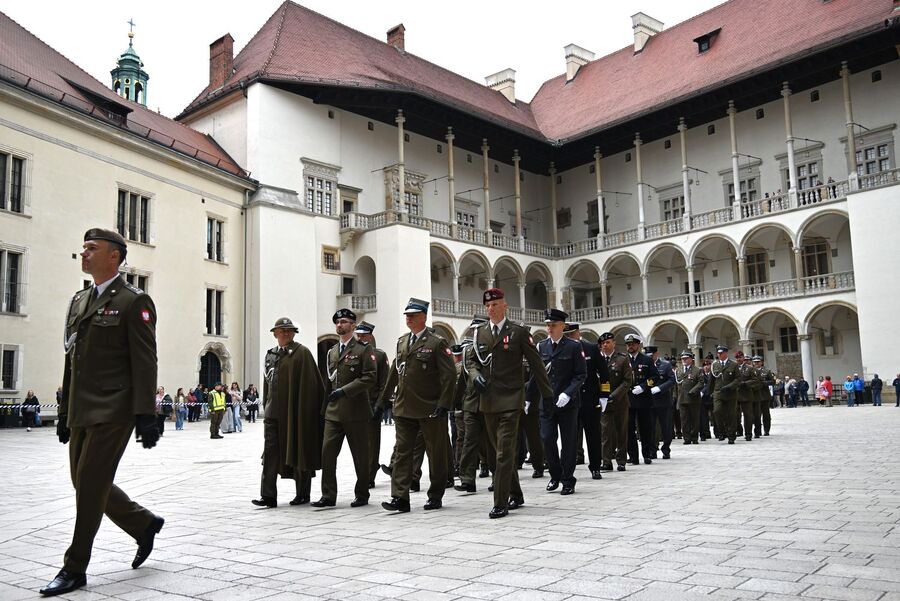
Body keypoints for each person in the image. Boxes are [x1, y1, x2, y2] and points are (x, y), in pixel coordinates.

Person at [41, 228, 163, 597]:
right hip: (81, 406)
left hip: (115, 407)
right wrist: (64, 412)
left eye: (92, 248)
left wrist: (146, 414)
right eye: (83, 247)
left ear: (115, 255)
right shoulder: (80, 300)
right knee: (84, 482)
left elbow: (145, 361)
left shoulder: (133, 301)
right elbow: (71, 359)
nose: (84, 252)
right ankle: (143, 523)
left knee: (91, 485)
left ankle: (74, 567)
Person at [467, 288, 552, 519]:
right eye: (487, 306)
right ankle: (516, 493)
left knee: (505, 453)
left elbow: (536, 365)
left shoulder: (518, 333)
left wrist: (548, 395)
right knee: (496, 454)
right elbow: (472, 362)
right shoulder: (479, 333)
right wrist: (476, 377)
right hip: (488, 402)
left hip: (511, 399)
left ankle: (500, 502)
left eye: (494, 305)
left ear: (505, 306)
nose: (490, 309)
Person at [378, 298, 456, 513]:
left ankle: (435, 494)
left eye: (413, 315)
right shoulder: (402, 341)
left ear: (424, 316)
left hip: (429, 407)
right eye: (407, 315)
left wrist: (443, 404)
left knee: (435, 453)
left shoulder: (437, 342)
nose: (409, 318)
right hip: (404, 407)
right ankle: (400, 498)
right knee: (403, 453)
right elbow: (395, 371)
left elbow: (449, 376)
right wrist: (383, 399)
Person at [252, 317, 325, 508]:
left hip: (296, 414)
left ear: (293, 333)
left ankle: (303, 493)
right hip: (273, 414)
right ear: (275, 333)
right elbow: (268, 383)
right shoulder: (270, 356)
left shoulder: (302, 353)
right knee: (269, 455)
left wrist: (308, 414)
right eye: (281, 330)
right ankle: (268, 496)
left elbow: (312, 385)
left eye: (289, 331)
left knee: (299, 451)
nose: (285, 334)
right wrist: (267, 406)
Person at [313, 309, 376, 508]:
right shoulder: (332, 351)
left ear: (353, 325)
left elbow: (369, 377)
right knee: (327, 454)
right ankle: (328, 495)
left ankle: (362, 493)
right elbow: (328, 381)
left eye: (344, 322)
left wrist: (345, 391)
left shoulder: (363, 349)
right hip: (334, 412)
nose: (339, 325)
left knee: (360, 456)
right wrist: (324, 410)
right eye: (337, 322)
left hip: (356, 411)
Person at [528, 309, 586, 496]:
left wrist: (568, 393)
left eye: (553, 325)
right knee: (547, 439)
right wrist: (528, 397)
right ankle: (555, 475)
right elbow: (536, 375)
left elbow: (580, 374)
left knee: (568, 442)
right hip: (547, 403)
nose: (549, 328)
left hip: (567, 404)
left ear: (563, 326)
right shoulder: (541, 346)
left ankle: (568, 480)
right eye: (547, 325)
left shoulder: (574, 347)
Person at [454, 318, 497, 494]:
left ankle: (497, 477)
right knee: (469, 441)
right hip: (471, 403)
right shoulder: (467, 352)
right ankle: (467, 479)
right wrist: (457, 403)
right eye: (473, 330)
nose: (474, 333)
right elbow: (463, 381)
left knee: (492, 443)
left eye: (477, 330)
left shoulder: (494, 347)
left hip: (490, 402)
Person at [354, 321, 389, 489]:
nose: (360, 338)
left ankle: (369, 476)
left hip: (372, 403)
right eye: (358, 335)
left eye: (363, 335)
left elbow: (384, 383)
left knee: (372, 443)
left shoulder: (379, 355)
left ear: (370, 336)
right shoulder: (352, 354)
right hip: (356, 405)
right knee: (360, 443)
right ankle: (364, 471)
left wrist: (380, 404)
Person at [566, 323, 603, 479]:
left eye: (571, 334)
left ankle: (595, 467)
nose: (569, 337)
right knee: (570, 437)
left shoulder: (591, 348)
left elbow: (604, 373)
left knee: (593, 435)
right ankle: (568, 468)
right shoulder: (563, 348)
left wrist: (605, 395)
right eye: (567, 334)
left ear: (578, 333)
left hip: (590, 398)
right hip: (571, 399)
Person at [597, 332, 633, 471]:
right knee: (605, 432)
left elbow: (627, 381)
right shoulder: (598, 359)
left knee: (621, 431)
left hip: (620, 401)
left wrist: (614, 395)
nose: (605, 345)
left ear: (614, 344)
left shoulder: (622, 359)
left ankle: (621, 460)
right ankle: (606, 461)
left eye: (607, 343)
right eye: (603, 343)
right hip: (603, 402)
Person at [624, 333, 659, 464]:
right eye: (628, 344)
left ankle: (647, 454)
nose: (630, 347)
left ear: (638, 345)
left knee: (645, 428)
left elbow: (655, 377)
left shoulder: (646, 360)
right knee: (629, 428)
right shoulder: (623, 359)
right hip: (628, 399)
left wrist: (644, 386)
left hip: (644, 399)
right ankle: (633, 456)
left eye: (632, 344)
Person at [646, 346, 676, 459]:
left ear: (656, 354)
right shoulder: (646, 365)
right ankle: (653, 450)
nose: (650, 358)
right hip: (650, 401)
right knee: (651, 427)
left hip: (663, 400)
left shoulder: (665, 365)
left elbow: (672, 380)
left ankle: (666, 449)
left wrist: (660, 388)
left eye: (651, 356)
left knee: (666, 427)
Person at [710, 345, 740, 444]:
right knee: (717, 411)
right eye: (718, 353)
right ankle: (721, 431)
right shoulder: (715, 365)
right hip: (718, 392)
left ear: (726, 353)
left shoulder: (733, 365)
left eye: (721, 353)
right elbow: (712, 380)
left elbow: (738, 379)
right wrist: (710, 392)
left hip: (730, 393)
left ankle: (731, 435)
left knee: (731, 415)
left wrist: (729, 386)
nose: (719, 355)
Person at [675, 351, 704, 444]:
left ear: (691, 359)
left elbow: (701, 382)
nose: (684, 360)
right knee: (684, 419)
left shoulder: (697, 370)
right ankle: (686, 438)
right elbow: (676, 384)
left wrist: (693, 390)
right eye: (683, 358)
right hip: (682, 398)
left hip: (693, 398)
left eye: (686, 358)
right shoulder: (678, 370)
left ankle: (694, 437)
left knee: (694, 419)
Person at [752, 356, 775, 435]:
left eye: (758, 362)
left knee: (766, 414)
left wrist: (764, 383)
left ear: (761, 362)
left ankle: (766, 429)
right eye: (755, 362)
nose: (756, 363)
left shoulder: (766, 371)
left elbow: (772, 381)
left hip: (764, 395)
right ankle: (758, 431)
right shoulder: (751, 371)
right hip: (755, 396)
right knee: (756, 414)